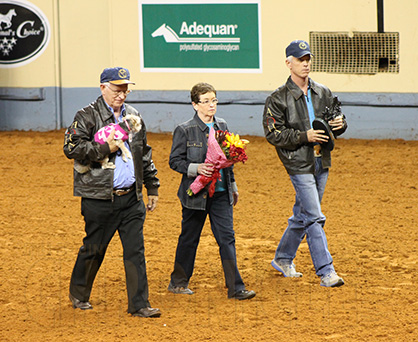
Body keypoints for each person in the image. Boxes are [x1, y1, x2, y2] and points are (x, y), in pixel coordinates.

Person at [63, 67, 161, 317]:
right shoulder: (86, 116)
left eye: (125, 89)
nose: (122, 94)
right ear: (103, 87)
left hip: (131, 198)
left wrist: (152, 185)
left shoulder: (134, 116)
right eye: (117, 89)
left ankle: (139, 304)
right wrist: (104, 147)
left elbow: (144, 152)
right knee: (94, 248)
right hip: (99, 197)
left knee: (135, 251)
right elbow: (71, 147)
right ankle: (79, 292)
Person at [262, 40, 348, 287]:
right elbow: (273, 135)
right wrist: (304, 136)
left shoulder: (324, 92)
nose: (306, 63)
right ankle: (326, 272)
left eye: (308, 58)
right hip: (298, 164)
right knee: (314, 217)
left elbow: (336, 118)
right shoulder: (277, 99)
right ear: (288, 63)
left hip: (322, 160)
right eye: (300, 59)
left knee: (303, 214)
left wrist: (341, 124)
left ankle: (283, 258)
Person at [167, 82, 256, 300]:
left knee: (227, 238)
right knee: (189, 238)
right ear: (195, 105)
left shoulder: (222, 125)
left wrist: (232, 185)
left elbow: (228, 159)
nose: (211, 105)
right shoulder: (184, 129)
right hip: (195, 195)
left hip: (220, 193)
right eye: (206, 101)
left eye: (214, 100)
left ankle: (236, 288)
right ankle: (178, 282)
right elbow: (174, 161)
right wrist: (195, 168)